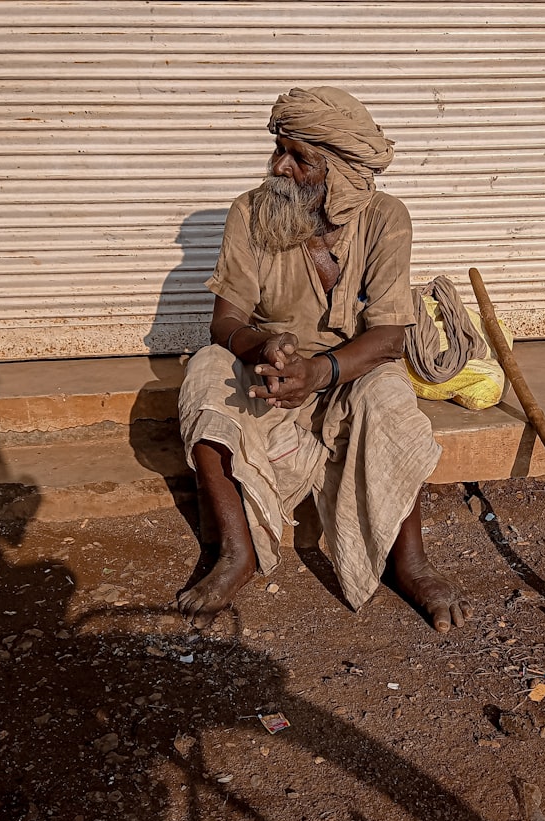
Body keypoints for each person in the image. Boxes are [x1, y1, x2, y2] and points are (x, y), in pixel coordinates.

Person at [177, 87, 471, 633]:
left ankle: (411, 563)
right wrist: (261, 345)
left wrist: (321, 372)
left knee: (390, 393)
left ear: (337, 168)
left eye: (299, 157)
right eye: (278, 151)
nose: (280, 167)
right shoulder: (250, 213)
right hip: (269, 374)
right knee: (204, 371)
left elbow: (388, 336)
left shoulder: (385, 219)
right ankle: (237, 553)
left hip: (349, 375)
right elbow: (224, 321)